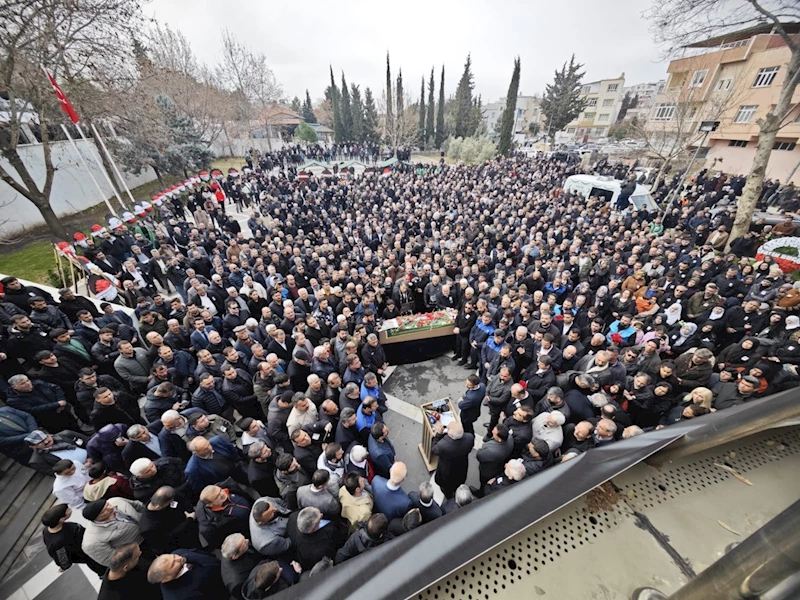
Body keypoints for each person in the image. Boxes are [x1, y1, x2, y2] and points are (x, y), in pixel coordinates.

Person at [42, 503, 105, 576]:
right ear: (61, 519)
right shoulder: (58, 543)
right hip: (90, 555)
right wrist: (64, 566)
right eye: (67, 510)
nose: (70, 509)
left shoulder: (49, 529)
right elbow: (62, 558)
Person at [81, 497, 144, 567]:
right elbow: (115, 561)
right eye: (104, 511)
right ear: (96, 518)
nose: (110, 507)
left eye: (107, 504)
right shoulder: (92, 542)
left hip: (149, 530)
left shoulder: (116, 501)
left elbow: (138, 506)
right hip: (139, 550)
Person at [139, 486, 201, 553]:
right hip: (181, 542)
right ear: (158, 507)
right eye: (168, 503)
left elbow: (182, 498)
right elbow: (169, 537)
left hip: (192, 527)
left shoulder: (167, 495)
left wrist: (190, 511)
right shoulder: (148, 527)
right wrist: (189, 520)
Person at [147, 550, 227, 600]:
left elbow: (200, 552)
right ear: (166, 579)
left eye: (173, 556)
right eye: (173, 564)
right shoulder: (182, 597)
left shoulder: (178, 553)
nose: (178, 558)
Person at [195, 483, 253, 550]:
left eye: (220, 491)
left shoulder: (228, 488)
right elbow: (220, 544)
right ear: (210, 505)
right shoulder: (210, 527)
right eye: (217, 497)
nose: (222, 494)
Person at [286, 506, 345, 571]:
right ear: (312, 529)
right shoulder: (321, 550)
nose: (321, 514)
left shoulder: (293, 517)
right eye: (319, 518)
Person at [432, 421, 474, 499]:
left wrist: (438, 435)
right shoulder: (469, 438)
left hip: (446, 473)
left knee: (447, 489)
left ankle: (449, 497)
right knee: (458, 482)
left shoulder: (443, 446)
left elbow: (434, 449)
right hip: (461, 468)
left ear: (451, 435)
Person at [220, 534, 262, 600]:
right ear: (235, 556)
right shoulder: (237, 583)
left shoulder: (229, 551)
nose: (247, 541)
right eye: (244, 543)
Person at [475, 423, 513, 493]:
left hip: (488, 471)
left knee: (484, 483)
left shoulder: (491, 452)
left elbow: (479, 456)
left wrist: (480, 449)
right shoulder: (510, 438)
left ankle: (481, 492)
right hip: (498, 466)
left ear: (499, 439)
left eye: (494, 433)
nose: (492, 431)